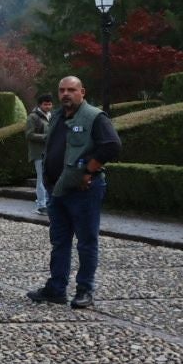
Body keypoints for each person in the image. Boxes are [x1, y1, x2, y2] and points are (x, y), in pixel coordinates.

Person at [26, 76, 121, 310]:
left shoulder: (94, 117)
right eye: (62, 90)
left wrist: (89, 170)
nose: (66, 94)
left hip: (83, 190)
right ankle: (56, 288)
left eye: (71, 90)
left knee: (86, 241)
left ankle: (84, 290)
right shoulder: (57, 116)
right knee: (59, 241)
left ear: (82, 92)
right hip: (57, 189)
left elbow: (112, 145)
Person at [26, 93, 54, 215]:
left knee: (49, 178)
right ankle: (41, 205)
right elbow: (29, 134)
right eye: (45, 104)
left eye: (50, 104)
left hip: (50, 152)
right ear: (40, 105)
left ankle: (48, 203)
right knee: (42, 179)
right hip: (39, 153)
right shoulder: (33, 117)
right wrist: (46, 137)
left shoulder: (51, 116)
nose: (48, 106)